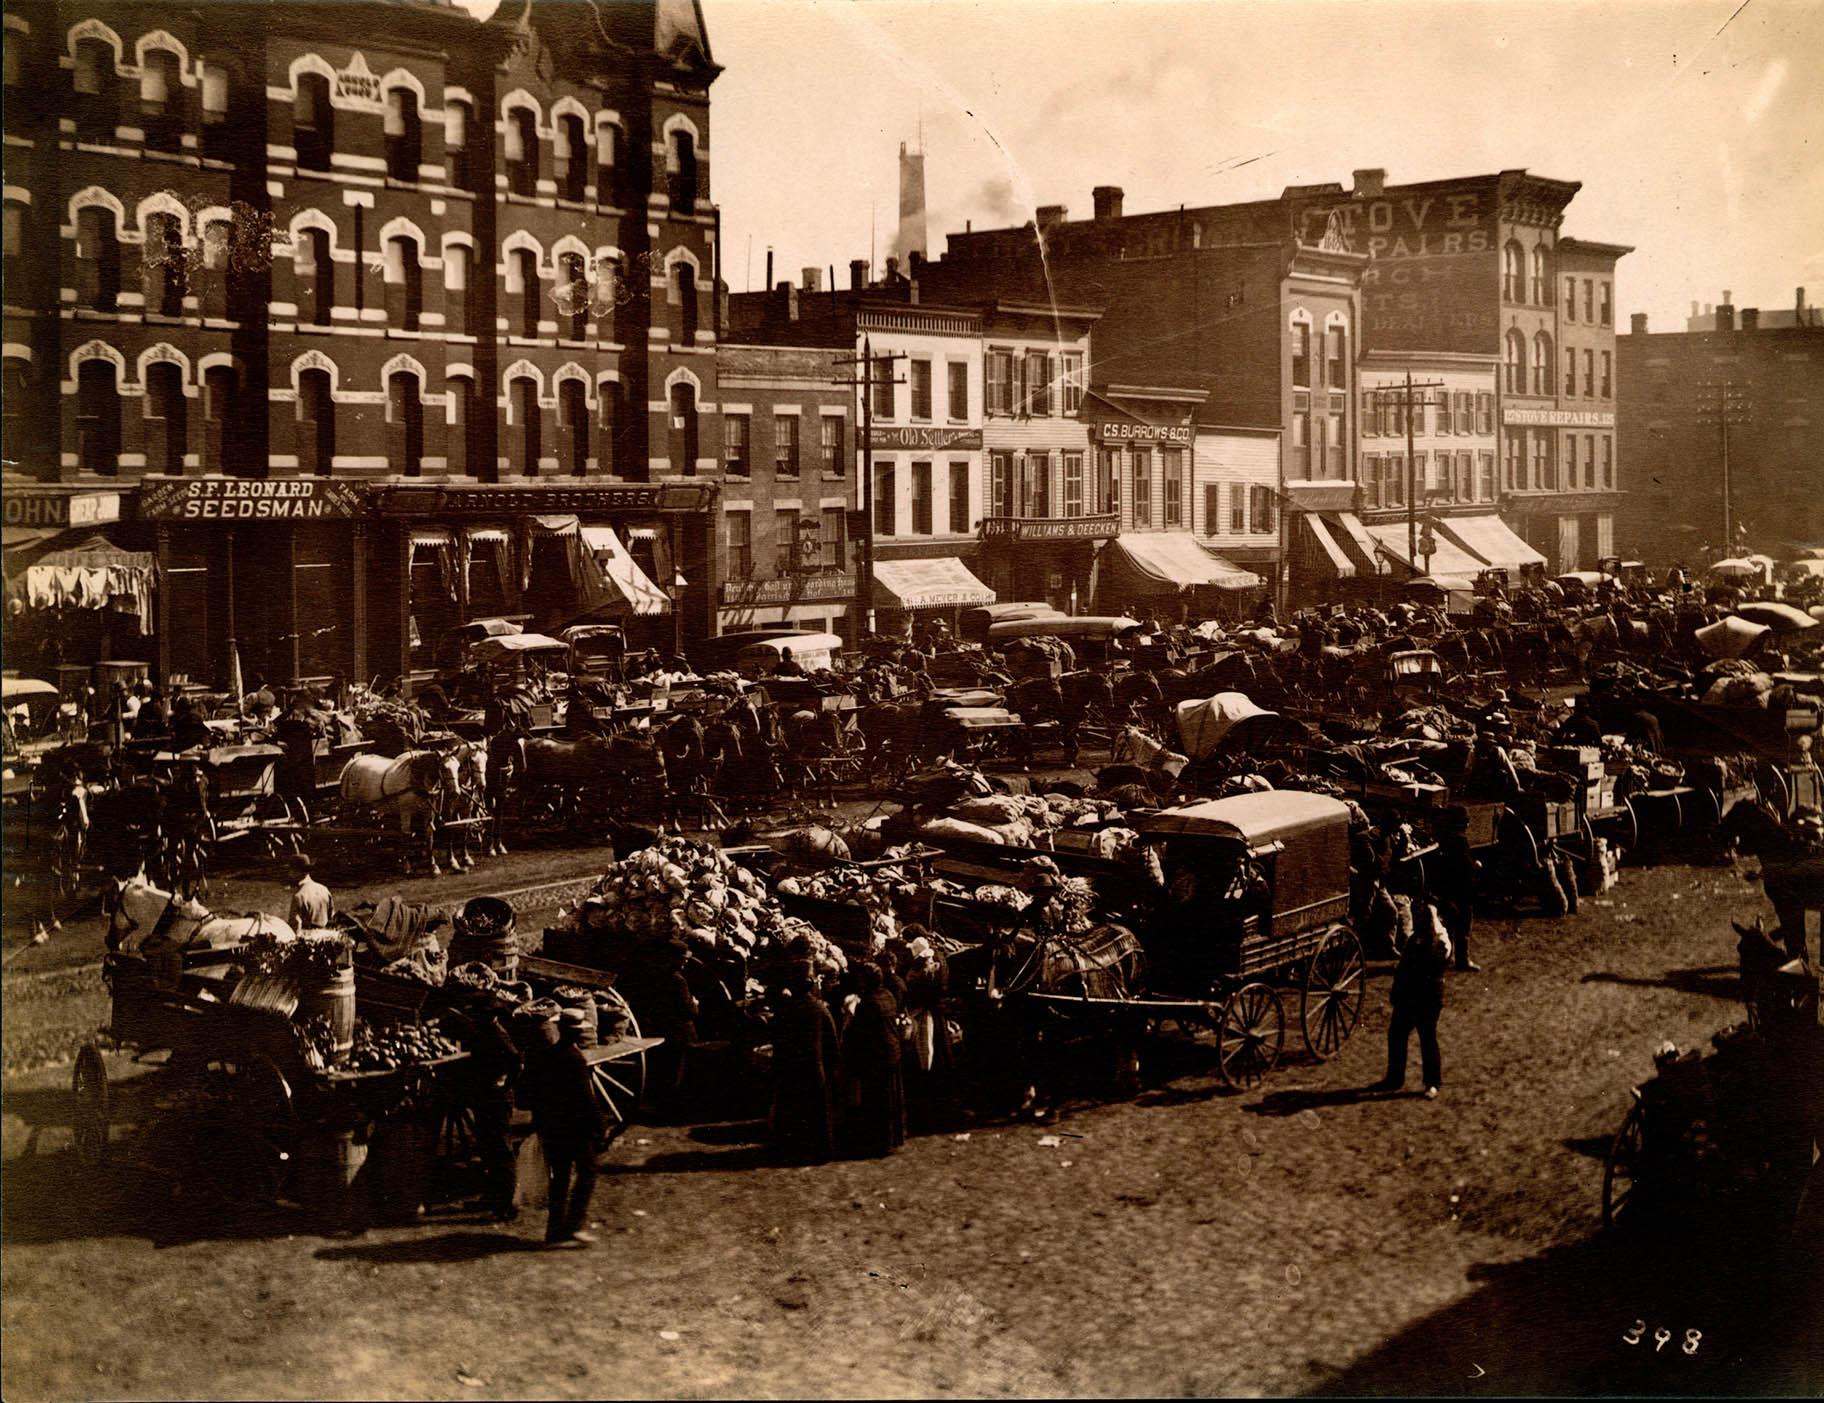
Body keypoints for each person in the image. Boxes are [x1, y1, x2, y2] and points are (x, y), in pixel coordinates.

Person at [526, 1008, 604, 1248]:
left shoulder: (544, 1056)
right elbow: (586, 1100)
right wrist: (599, 1127)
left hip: (551, 1128)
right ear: (578, 1034)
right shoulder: (575, 1059)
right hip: (575, 1128)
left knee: (559, 1177)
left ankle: (554, 1232)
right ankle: (573, 1226)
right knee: (588, 1171)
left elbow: (528, 1096)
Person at [456, 992, 524, 1222]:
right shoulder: (482, 1031)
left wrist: (505, 1083)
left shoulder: (497, 1034)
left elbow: (516, 1061)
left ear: (490, 1015)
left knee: (500, 1150)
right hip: (484, 1096)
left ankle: (505, 1204)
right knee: (486, 1146)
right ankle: (490, 1196)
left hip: (497, 1099)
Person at [1376, 901, 1451, 1098]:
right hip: (1408, 998)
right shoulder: (1414, 940)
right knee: (1396, 1035)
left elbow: (1438, 967)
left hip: (1427, 999)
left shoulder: (1440, 944)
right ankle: (1394, 1079)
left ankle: (1432, 1083)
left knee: (1427, 1039)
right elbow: (1402, 970)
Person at [769, 958, 840, 1164]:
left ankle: (789, 1149)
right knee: (816, 1111)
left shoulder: (785, 1010)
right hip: (814, 1068)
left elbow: (776, 1038)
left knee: (791, 1109)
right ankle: (818, 1151)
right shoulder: (819, 1009)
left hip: (790, 1068)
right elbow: (832, 1043)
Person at [839, 961, 907, 1157]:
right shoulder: (887, 996)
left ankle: (880, 1142)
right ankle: (893, 1138)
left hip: (876, 1057)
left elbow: (858, 1032)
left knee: (877, 1100)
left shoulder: (869, 1003)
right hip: (892, 1051)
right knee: (892, 1097)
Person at [1433, 808, 1482, 973]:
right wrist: (1476, 865)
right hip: (1462, 890)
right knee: (1464, 927)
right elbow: (1465, 864)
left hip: (1447, 888)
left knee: (1450, 924)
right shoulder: (1460, 841)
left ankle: (1449, 957)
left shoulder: (1445, 839)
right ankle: (1463, 960)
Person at [272, 692, 321, 825]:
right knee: (305, 790)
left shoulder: (287, 719)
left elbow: (274, 728)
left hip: (292, 765)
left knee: (291, 787)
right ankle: (308, 815)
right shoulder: (308, 719)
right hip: (303, 764)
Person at [287, 852, 333, 930]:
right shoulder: (324, 889)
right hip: (324, 936)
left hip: (307, 938)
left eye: (291, 870)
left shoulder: (299, 896)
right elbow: (331, 917)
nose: (289, 874)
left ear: (297, 872)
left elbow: (296, 924)